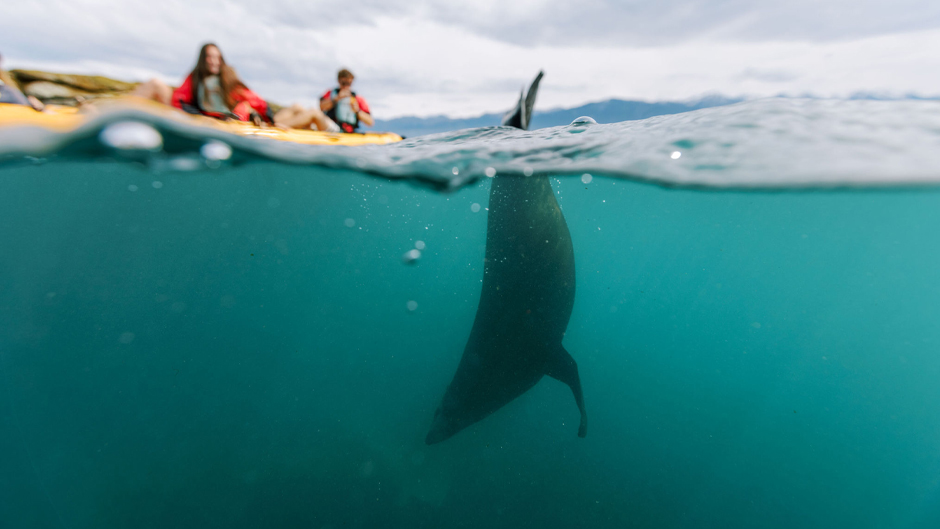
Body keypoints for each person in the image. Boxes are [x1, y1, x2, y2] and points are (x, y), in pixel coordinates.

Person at [133, 43, 273, 125]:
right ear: (203, 59)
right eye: (209, 57)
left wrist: (270, 121)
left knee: (246, 109)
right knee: (154, 83)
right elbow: (180, 100)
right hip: (192, 116)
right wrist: (197, 115)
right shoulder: (195, 76)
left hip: (223, 120)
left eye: (217, 57)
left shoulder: (229, 79)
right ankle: (119, 110)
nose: (213, 61)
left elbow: (257, 101)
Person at [319, 69, 374, 133]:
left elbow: (370, 122)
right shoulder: (331, 94)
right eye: (343, 83)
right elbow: (321, 107)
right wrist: (337, 98)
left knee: (313, 114)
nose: (346, 86)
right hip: (331, 126)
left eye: (349, 84)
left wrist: (357, 111)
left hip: (347, 131)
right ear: (338, 81)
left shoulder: (358, 99)